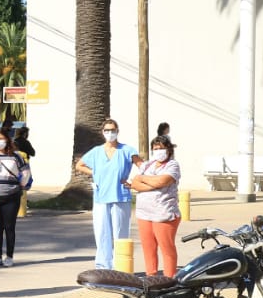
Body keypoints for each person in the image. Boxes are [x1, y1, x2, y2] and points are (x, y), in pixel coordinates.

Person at [74, 118, 138, 269]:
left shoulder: (127, 150)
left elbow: (142, 165)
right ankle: (103, 266)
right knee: (102, 233)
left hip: (120, 196)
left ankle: (120, 265)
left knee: (120, 233)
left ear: (118, 131)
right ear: (103, 132)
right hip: (101, 197)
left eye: (113, 130)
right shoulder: (96, 152)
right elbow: (79, 165)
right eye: (107, 130)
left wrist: (134, 181)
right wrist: (95, 173)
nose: (110, 133)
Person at [127, 135, 182, 277]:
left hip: (163, 213)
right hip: (144, 213)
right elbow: (135, 184)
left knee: (166, 248)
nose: (158, 151)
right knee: (148, 247)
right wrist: (150, 184)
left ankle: (169, 278)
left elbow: (163, 181)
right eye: (155, 149)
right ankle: (151, 277)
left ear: (168, 149)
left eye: (162, 148)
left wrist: (143, 179)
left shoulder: (172, 165)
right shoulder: (148, 165)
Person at [0, 127, 31, 267]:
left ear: (7, 139)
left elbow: (26, 172)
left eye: (1, 138)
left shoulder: (16, 156)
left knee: (9, 227)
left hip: (11, 196)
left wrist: (20, 185)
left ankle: (9, 256)